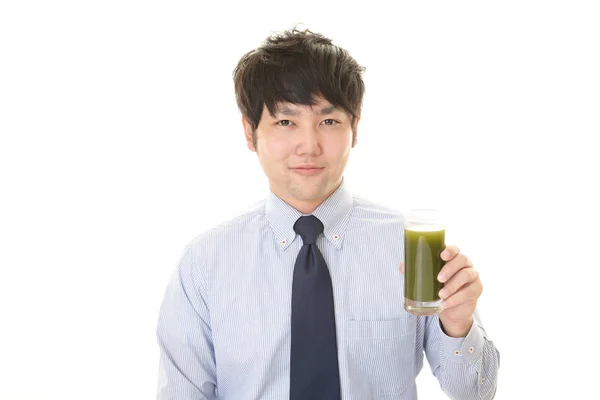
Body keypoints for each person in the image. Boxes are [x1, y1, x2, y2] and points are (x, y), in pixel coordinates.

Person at [156, 27, 500, 400]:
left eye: (329, 121)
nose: (309, 145)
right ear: (249, 131)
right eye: (285, 122)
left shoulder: (411, 248)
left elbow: (475, 391)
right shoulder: (206, 263)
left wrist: (458, 323)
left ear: (355, 128)